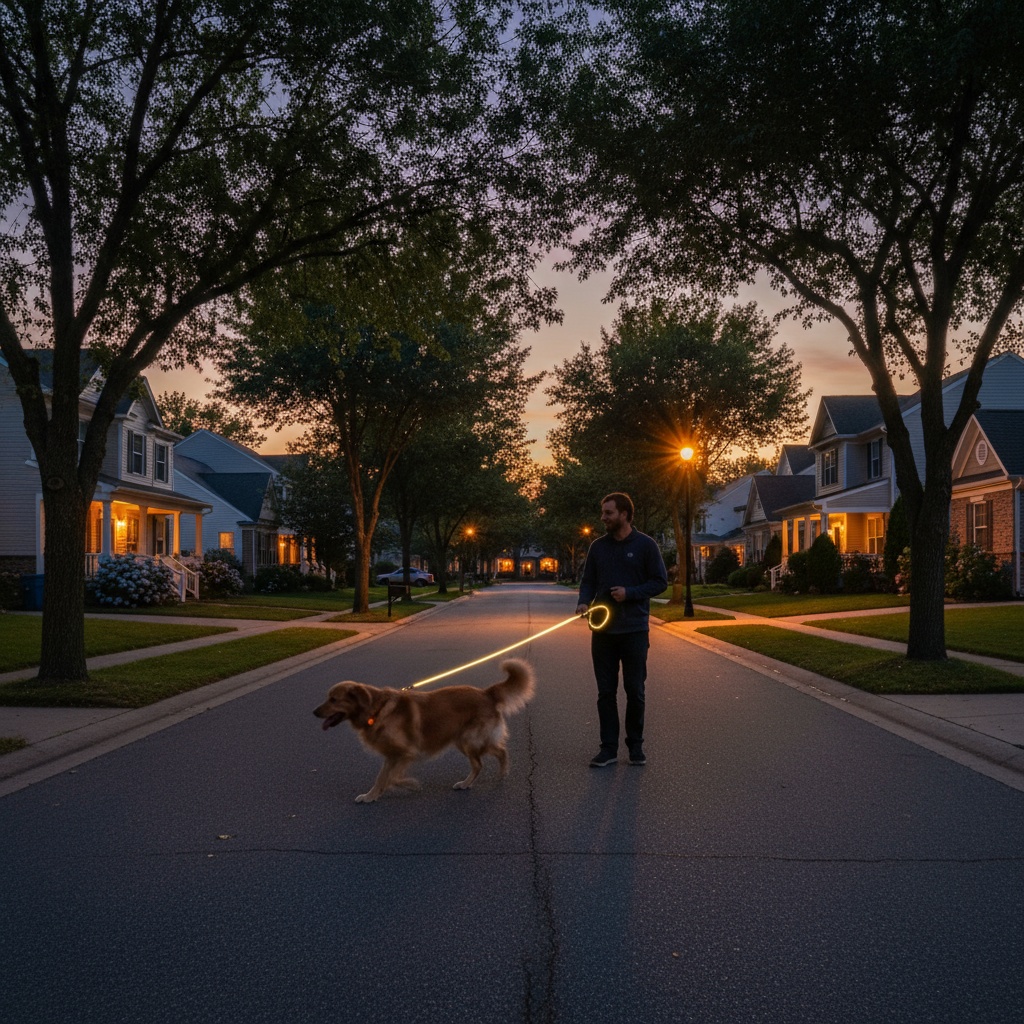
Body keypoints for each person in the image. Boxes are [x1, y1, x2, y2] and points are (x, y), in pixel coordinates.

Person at [575, 492, 668, 767]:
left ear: (625, 514)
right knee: (606, 692)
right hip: (602, 631)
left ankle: (635, 747)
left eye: (608, 513)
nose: (603, 518)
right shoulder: (598, 547)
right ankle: (608, 749)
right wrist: (583, 601)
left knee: (635, 690)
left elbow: (660, 582)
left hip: (634, 630)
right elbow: (587, 580)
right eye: (603, 513)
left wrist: (630, 593)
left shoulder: (646, 546)